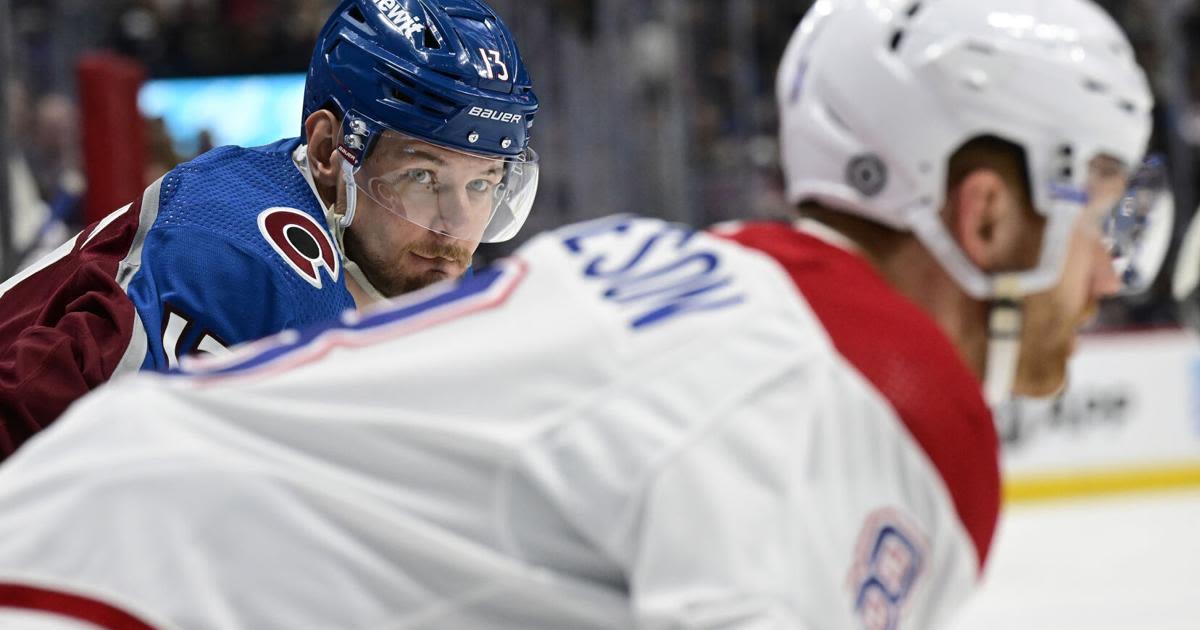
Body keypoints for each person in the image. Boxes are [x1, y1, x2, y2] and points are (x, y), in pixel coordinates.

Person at [0, 0, 1161, 628]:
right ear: (986, 209)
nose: (1108, 273)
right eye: (1098, 201)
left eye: (479, 185)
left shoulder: (646, 261)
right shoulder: (846, 397)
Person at [0, 0, 540, 457]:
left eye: (482, 184)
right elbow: (32, 425)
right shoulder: (238, 260)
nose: (453, 228)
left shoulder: (364, 240)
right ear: (329, 151)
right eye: (421, 176)